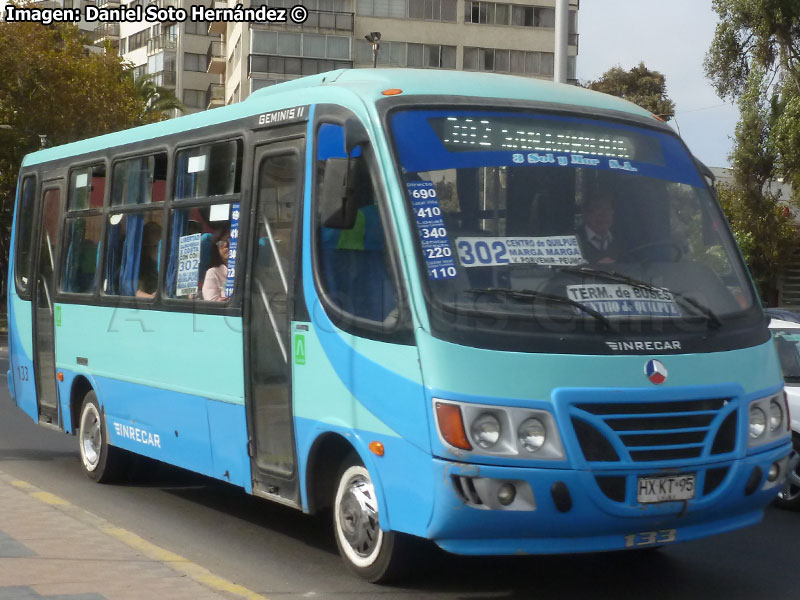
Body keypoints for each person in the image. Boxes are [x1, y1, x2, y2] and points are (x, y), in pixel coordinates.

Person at [577, 195, 622, 264]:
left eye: (608, 209)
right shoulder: (572, 240)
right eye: (597, 209)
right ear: (585, 214)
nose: (604, 215)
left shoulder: (621, 240)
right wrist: (596, 266)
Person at [202, 228, 230, 301]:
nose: (226, 245)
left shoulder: (252, 270)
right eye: (221, 243)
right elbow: (212, 304)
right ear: (216, 249)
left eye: (231, 241)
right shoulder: (213, 273)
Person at [136, 221, 162, 298]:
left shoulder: (168, 264)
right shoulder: (142, 267)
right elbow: (134, 292)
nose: (159, 249)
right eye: (155, 246)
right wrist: (154, 298)